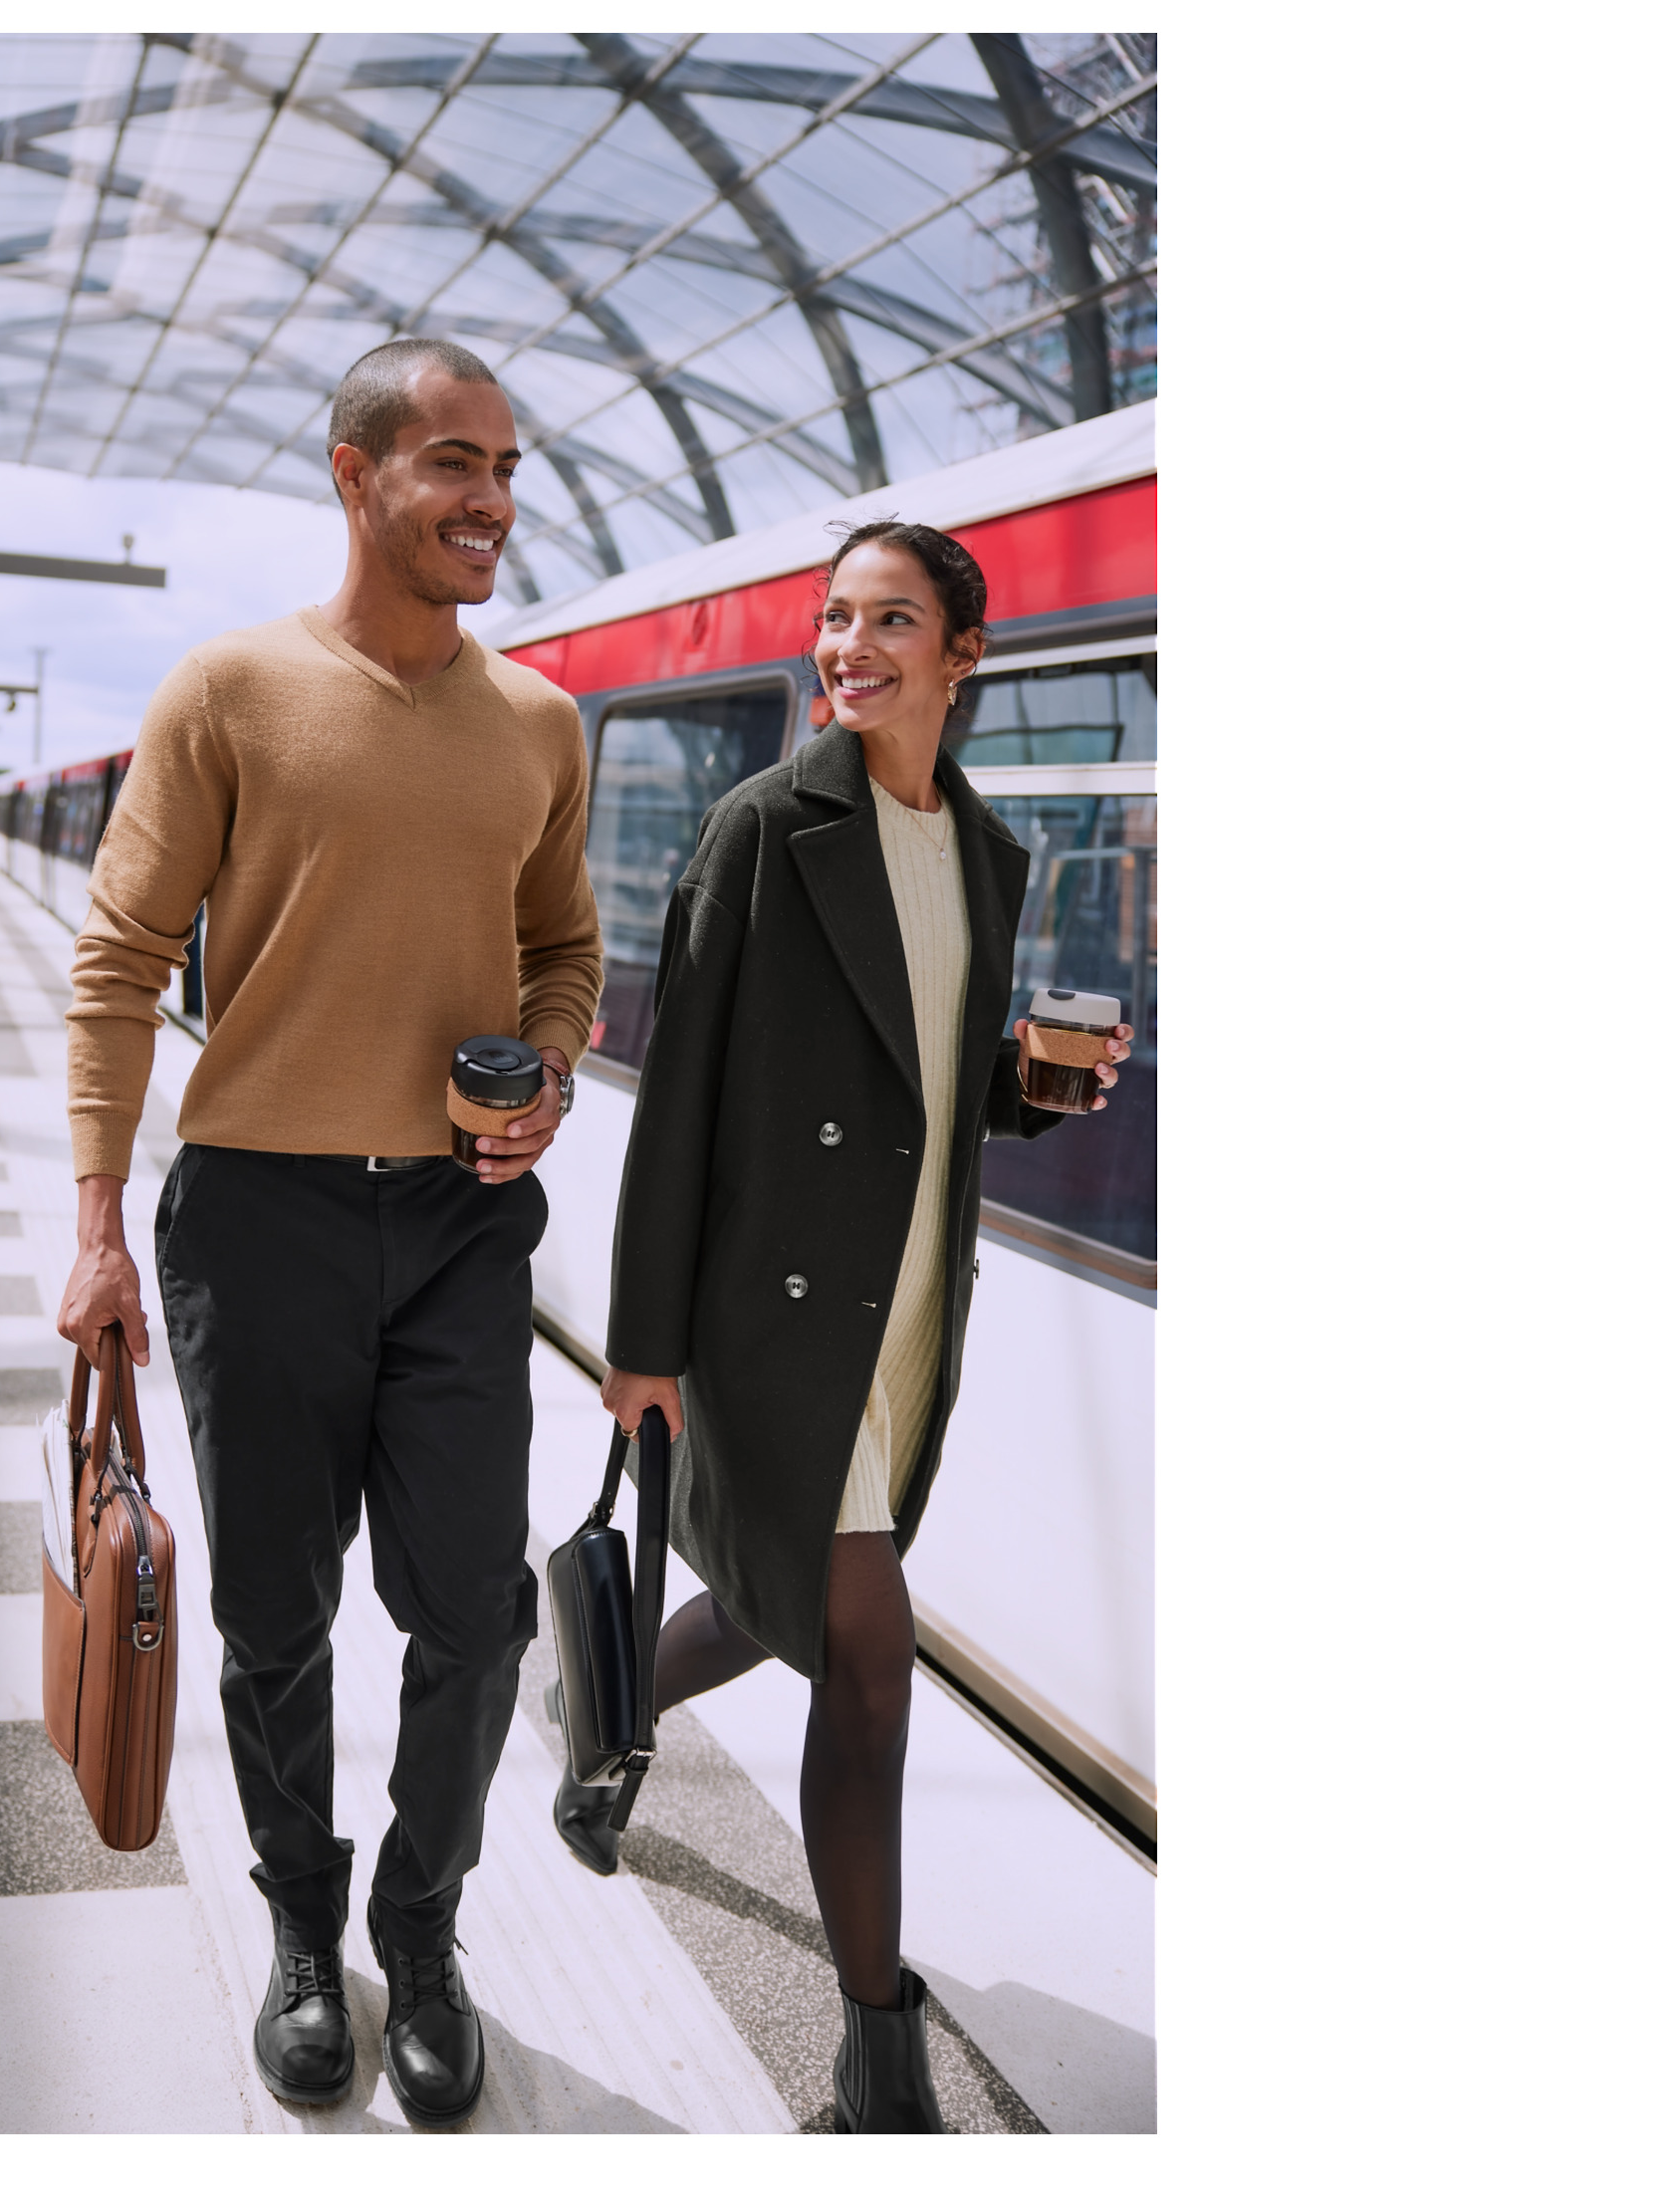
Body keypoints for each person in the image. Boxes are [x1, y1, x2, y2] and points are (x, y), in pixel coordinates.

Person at [56, 338, 601, 2125]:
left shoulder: (541, 725)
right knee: (272, 1617)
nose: (491, 500)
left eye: (506, 468)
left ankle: (418, 1927)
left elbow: (566, 953)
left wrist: (550, 1071)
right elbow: (120, 963)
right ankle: (304, 1923)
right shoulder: (228, 691)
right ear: (356, 475)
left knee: (478, 1616)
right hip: (258, 1217)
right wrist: (98, 1225)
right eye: (454, 463)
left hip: (461, 1220)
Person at [571, 519, 1131, 2133]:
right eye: (837, 617)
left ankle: (601, 1704)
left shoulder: (988, 852)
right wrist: (641, 1343)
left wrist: (1030, 1087)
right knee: (870, 1665)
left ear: (965, 656)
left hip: (904, 1312)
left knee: (779, 1608)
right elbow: (680, 1101)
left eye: (892, 620)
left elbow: (925, 1084)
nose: (850, 645)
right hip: (776, 1314)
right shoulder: (765, 827)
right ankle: (876, 2055)